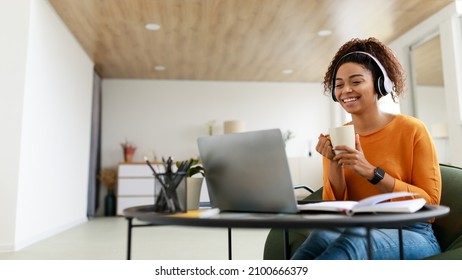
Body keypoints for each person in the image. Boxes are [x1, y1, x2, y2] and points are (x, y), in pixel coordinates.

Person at [291, 37, 442, 260]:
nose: (346, 90)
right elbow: (335, 210)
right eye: (339, 84)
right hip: (354, 227)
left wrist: (373, 173)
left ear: (380, 84)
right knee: (317, 239)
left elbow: (429, 206)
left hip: (411, 231)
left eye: (356, 81)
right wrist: (334, 162)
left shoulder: (412, 129)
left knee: (353, 243)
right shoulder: (337, 136)